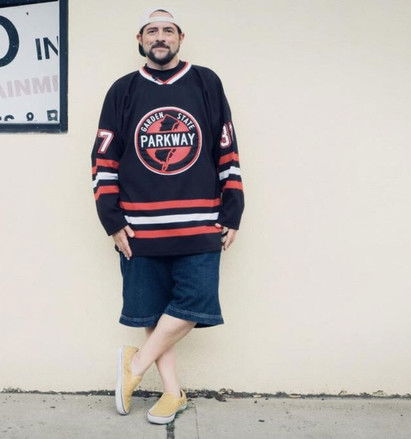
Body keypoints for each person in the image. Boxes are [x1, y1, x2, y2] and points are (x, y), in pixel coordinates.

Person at [90, 7, 244, 425]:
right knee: (152, 313)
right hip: (139, 225)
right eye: (152, 31)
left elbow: (226, 148)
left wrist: (232, 210)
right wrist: (112, 219)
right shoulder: (122, 90)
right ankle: (173, 393)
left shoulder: (206, 82)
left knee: (195, 303)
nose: (160, 37)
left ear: (180, 38)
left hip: (200, 220)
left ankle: (135, 365)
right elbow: (103, 159)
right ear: (140, 40)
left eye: (168, 30)